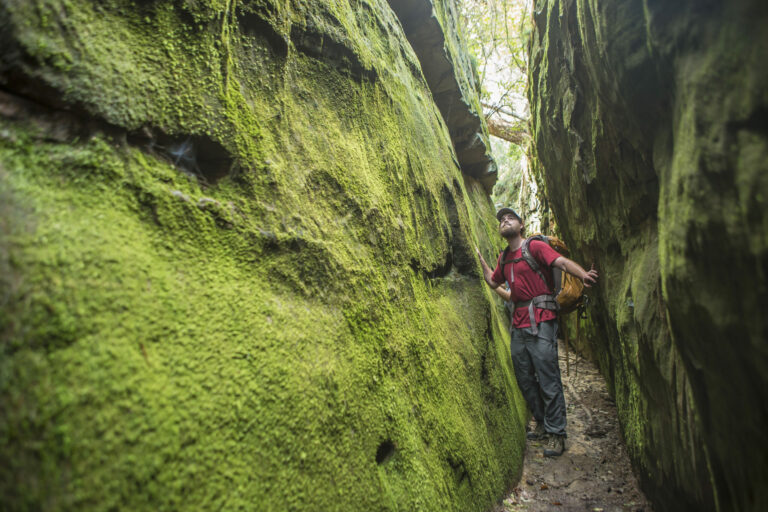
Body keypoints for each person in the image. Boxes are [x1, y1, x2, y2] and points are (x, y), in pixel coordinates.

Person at [475, 207, 598, 457]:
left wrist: (583, 274)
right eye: (501, 220)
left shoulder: (534, 247)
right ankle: (542, 423)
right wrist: (480, 260)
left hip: (542, 318)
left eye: (510, 218)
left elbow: (560, 262)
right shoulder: (504, 259)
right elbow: (493, 281)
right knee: (524, 378)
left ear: (521, 226)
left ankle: (557, 433)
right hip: (519, 325)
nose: (505, 220)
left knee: (548, 376)